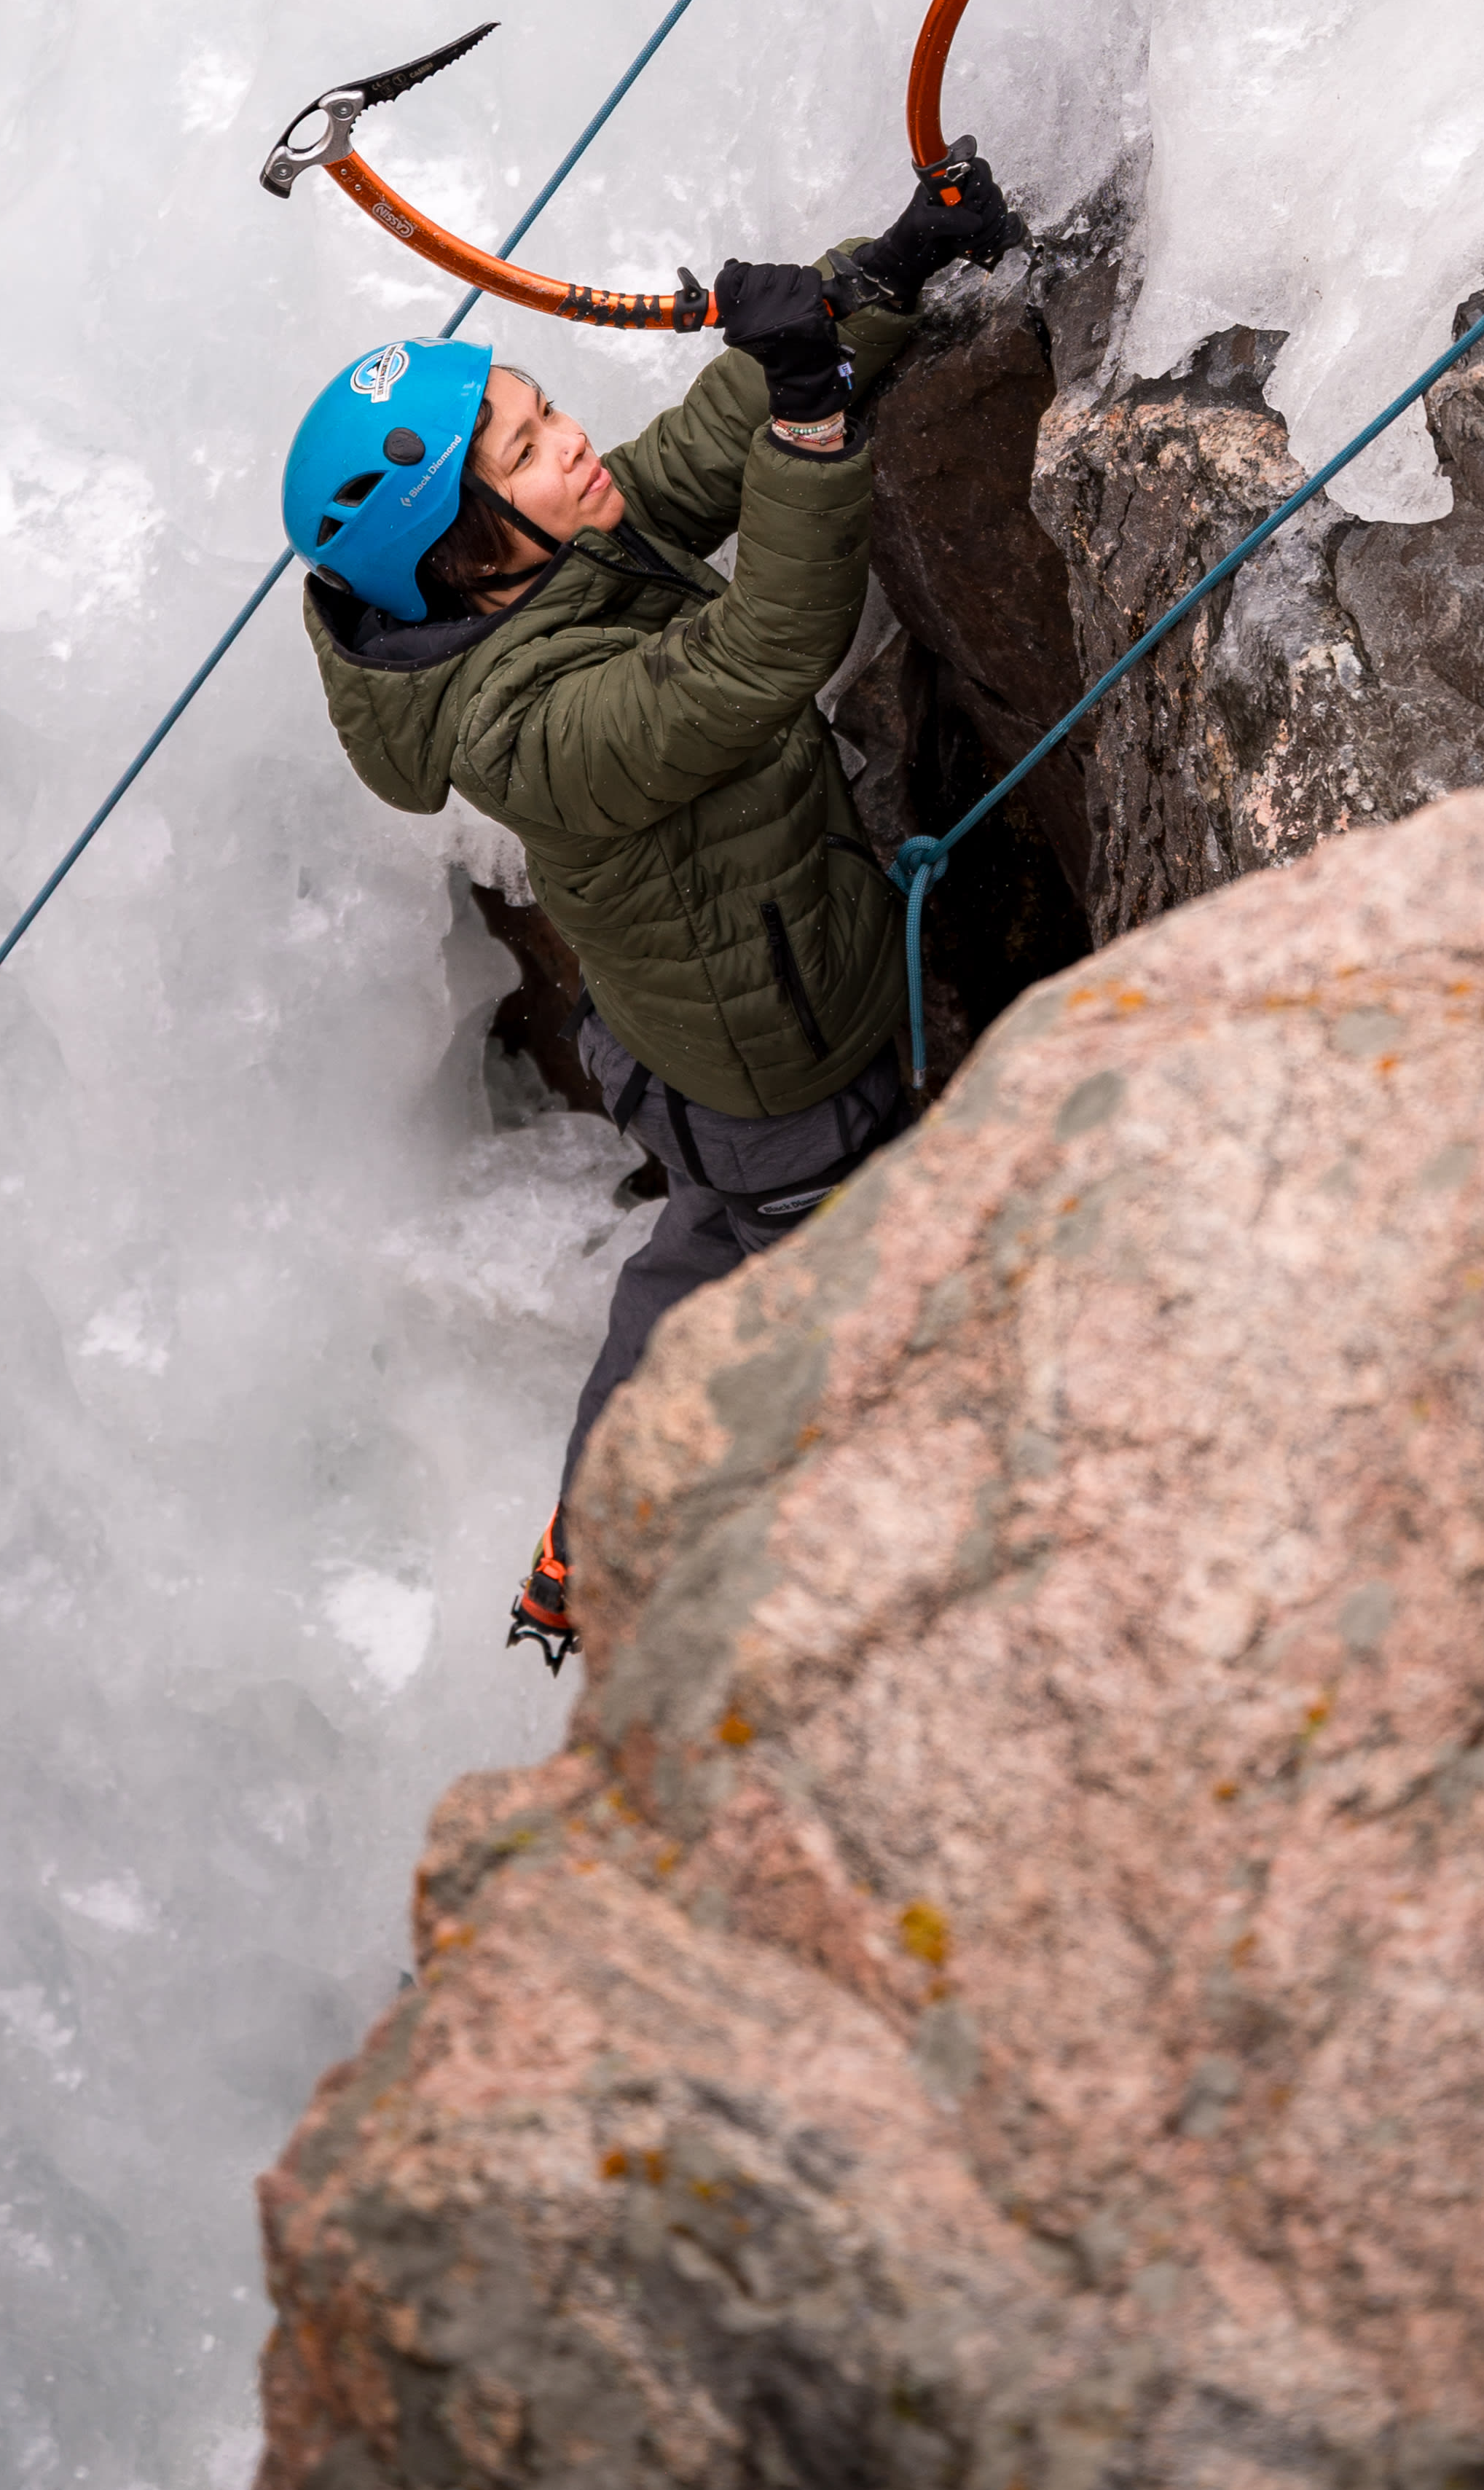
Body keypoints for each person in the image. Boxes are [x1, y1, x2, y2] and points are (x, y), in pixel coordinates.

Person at [282, 161, 1012, 1667]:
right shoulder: (521, 724)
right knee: (838, 1286)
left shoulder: (539, 561)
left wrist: (870, 283)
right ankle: (757, 1582)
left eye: (549, 414)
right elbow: (758, 657)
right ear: (467, 551)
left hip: (703, 1026)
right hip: (776, 1059)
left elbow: (699, 443)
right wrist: (811, 415)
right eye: (536, 450)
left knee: (706, 1247)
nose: (575, 447)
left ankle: (592, 1519)